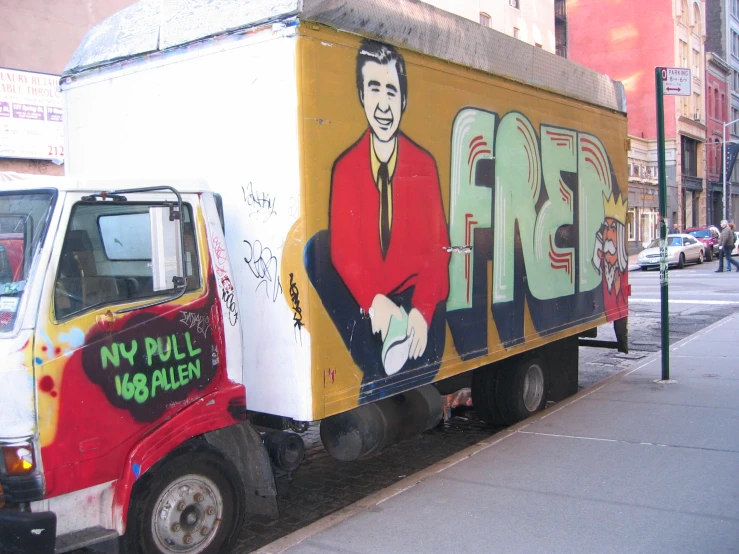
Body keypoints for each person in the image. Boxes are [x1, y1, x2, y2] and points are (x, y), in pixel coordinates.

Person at [305, 39, 450, 403]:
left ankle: (383, 371)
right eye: (374, 89)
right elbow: (343, 253)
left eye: (391, 91)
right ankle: (383, 365)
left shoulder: (423, 166)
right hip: (373, 308)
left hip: (414, 299)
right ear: (361, 96)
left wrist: (422, 311)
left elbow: (438, 251)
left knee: (406, 365)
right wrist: (374, 300)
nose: (384, 104)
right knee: (316, 249)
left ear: (403, 100)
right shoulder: (346, 168)